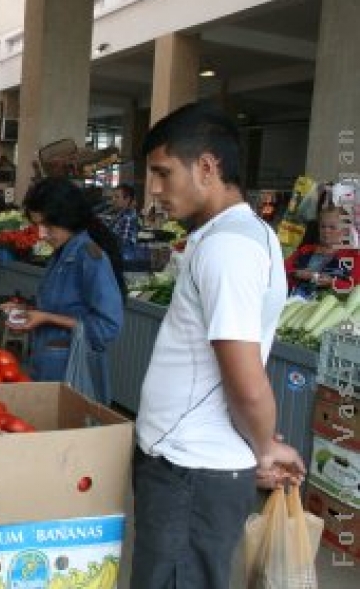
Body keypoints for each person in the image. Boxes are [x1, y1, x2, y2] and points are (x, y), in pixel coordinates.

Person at [133, 103, 305, 588]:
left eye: (163, 173)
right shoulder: (242, 236)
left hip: (189, 471)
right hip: (189, 464)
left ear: (207, 167)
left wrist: (264, 448)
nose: (156, 190)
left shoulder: (228, 247)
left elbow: (247, 383)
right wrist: (262, 445)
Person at [0, 177, 125, 405]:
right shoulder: (62, 254)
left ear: (68, 218)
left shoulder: (89, 257)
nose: (41, 234)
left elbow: (108, 327)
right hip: (48, 370)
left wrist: (46, 317)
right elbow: (62, 306)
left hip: (73, 378)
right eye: (38, 225)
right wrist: (26, 310)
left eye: (48, 226)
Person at [285, 205, 360, 298]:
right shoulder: (305, 250)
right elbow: (283, 270)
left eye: (332, 227)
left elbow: (356, 288)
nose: (326, 231)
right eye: (322, 226)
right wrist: (295, 273)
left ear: (345, 231)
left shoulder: (353, 257)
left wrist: (332, 282)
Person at [108, 183, 140, 261]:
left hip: (122, 259)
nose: (113, 200)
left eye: (117, 197)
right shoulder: (121, 213)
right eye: (113, 197)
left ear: (127, 199)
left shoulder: (128, 217)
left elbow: (123, 244)